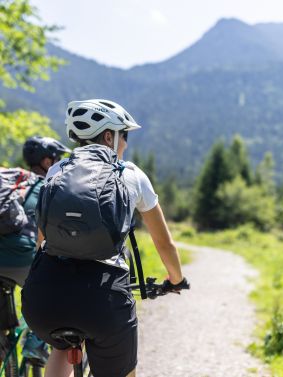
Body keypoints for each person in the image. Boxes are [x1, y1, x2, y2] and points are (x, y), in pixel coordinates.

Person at [21, 99, 189, 377]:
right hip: (103, 300)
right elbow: (164, 243)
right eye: (125, 136)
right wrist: (175, 279)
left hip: (44, 298)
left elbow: (42, 240)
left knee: (60, 347)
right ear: (109, 136)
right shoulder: (131, 174)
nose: (125, 144)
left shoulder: (56, 171)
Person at [0, 136, 70, 359]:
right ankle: (36, 341)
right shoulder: (47, 186)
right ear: (48, 163)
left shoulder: (9, 179)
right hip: (23, 260)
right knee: (54, 289)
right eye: (57, 160)